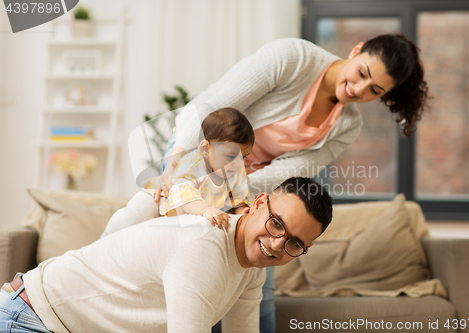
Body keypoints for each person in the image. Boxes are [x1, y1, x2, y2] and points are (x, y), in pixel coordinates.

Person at [157, 35, 430, 332]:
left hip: (250, 189)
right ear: (356, 49)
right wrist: (179, 168)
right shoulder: (293, 58)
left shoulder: (348, 126)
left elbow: (289, 172)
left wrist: (231, 192)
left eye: (374, 90)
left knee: (260, 292)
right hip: (195, 150)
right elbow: (213, 108)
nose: (359, 89)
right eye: (362, 73)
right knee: (197, 268)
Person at [0, 177, 333, 333]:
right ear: (258, 204)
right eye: (276, 224)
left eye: (293, 243)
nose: (276, 245)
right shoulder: (204, 245)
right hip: (32, 318)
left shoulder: (251, 269)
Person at [101, 108, 255, 239]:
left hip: (177, 218)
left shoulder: (236, 172)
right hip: (159, 200)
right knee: (129, 220)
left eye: (243, 157)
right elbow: (182, 193)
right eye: (230, 156)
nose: (238, 163)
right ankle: (104, 240)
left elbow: (240, 199)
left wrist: (243, 212)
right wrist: (206, 210)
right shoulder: (191, 164)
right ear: (205, 149)